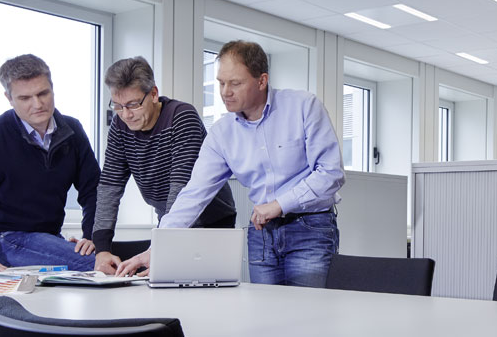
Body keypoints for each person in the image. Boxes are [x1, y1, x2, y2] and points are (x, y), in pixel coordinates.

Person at [115, 40, 345, 286]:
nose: (225, 92)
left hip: (310, 227)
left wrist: (279, 205)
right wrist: (158, 248)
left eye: (235, 83)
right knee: (267, 310)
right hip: (262, 235)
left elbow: (331, 173)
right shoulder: (222, 133)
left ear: (262, 81)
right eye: (221, 83)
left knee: (308, 307)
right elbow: (193, 194)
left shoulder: (303, 106)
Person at [0, 54, 100, 272]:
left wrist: (91, 236)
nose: (37, 104)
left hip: (47, 238)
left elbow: (94, 191)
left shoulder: (72, 131)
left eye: (43, 93)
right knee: (99, 265)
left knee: (105, 259)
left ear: (52, 88)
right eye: (25, 98)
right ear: (9, 98)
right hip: (1, 240)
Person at [92, 56, 238, 274]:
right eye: (118, 106)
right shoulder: (120, 125)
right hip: (169, 221)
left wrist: (162, 248)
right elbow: (110, 186)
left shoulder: (181, 117)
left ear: (153, 94)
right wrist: (102, 249)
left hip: (210, 223)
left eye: (133, 104)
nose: (126, 115)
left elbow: (181, 188)